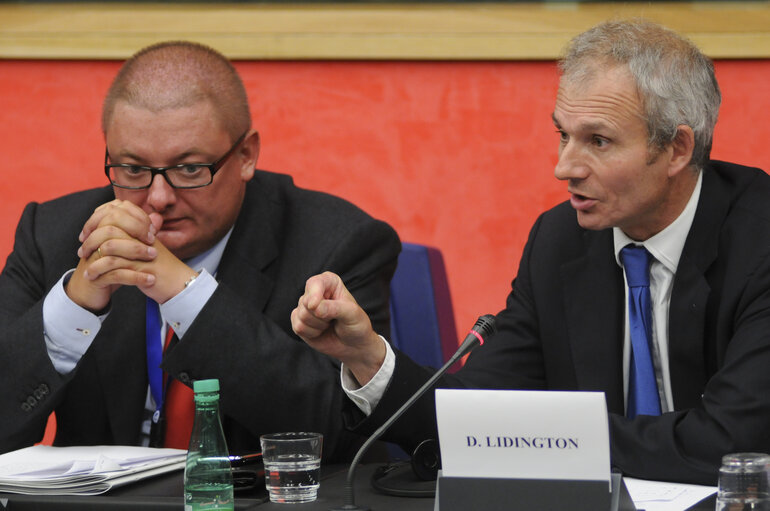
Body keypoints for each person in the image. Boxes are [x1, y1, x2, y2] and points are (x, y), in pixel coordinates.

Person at [291, 19, 770, 484]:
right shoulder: (560, 241)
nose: (565, 168)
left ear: (677, 150)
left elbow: (730, 444)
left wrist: (544, 437)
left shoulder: (759, 242)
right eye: (563, 134)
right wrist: (366, 355)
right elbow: (471, 417)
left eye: (598, 141)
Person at [0, 41, 401, 463]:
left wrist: (186, 294)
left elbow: (341, 433)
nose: (157, 198)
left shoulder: (339, 242)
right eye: (134, 169)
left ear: (246, 155)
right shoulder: (53, 235)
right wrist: (74, 307)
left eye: (189, 169)